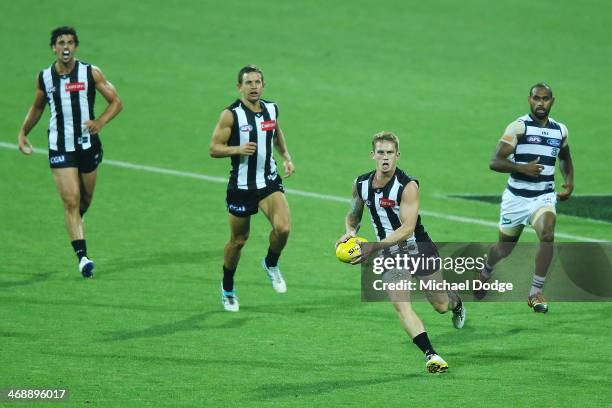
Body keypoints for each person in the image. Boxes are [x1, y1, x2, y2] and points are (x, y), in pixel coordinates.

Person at [336, 131, 465, 373]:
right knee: (400, 304)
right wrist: (350, 233)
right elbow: (353, 215)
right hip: (389, 254)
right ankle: (431, 355)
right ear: (372, 155)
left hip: (418, 248)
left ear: (398, 155)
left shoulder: (408, 186)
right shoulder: (361, 184)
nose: (385, 158)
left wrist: (374, 246)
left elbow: (407, 229)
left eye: (390, 153)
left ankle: (455, 302)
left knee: (440, 305)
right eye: (381, 153)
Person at [17, 26, 123, 278]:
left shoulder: (90, 72)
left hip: (87, 145)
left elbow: (117, 102)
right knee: (71, 200)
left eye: (70, 42)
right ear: (53, 48)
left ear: (75, 46)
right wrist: (23, 132)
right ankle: (82, 257)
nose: (65, 46)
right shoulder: (44, 77)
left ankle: (76, 220)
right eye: (60, 42)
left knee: (85, 201)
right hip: (60, 146)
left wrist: (100, 123)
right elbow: (37, 107)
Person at [475, 83, 574, 313]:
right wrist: (522, 168)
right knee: (504, 249)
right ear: (529, 101)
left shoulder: (560, 130)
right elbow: (495, 161)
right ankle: (486, 270)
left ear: (552, 101)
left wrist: (568, 182)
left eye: (546, 99)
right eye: (537, 99)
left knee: (548, 234)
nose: (541, 103)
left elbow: (566, 158)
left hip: (544, 197)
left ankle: (535, 292)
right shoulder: (519, 128)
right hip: (516, 199)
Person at [209, 65, 295, 312]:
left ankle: (271, 263)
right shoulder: (231, 115)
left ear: (263, 85)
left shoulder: (271, 108)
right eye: (249, 83)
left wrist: (286, 156)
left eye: (258, 82)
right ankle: (227, 287)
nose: (254, 86)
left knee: (284, 228)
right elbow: (214, 148)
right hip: (242, 186)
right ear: (240, 87)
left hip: (268, 181)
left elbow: (276, 133)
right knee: (238, 240)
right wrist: (236, 149)